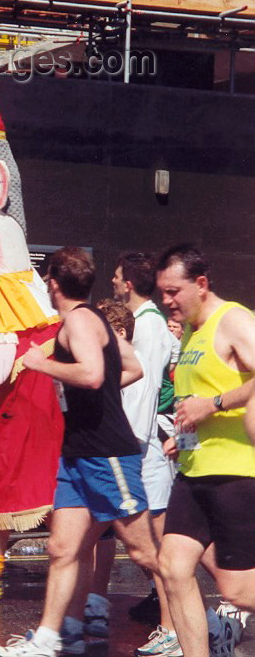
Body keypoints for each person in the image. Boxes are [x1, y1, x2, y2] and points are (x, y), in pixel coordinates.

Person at [0, 247, 163, 657]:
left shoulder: (80, 321)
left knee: (144, 551)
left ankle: (188, 622)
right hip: (78, 453)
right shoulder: (94, 319)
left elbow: (91, 373)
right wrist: (98, 391)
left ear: (53, 283)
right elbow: (132, 368)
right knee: (63, 549)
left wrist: (40, 364)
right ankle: (54, 636)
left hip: (106, 453)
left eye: (46, 280)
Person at [156, 243, 255, 657]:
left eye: (173, 291)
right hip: (195, 470)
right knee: (172, 568)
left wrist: (211, 405)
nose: (166, 301)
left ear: (200, 284)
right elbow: (198, 396)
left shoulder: (233, 320)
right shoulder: (194, 331)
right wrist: (181, 437)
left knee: (238, 590)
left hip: (235, 471)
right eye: (162, 292)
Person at [92, 299, 179, 655]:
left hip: (142, 466)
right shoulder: (118, 365)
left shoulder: (137, 367)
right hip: (124, 463)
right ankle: (89, 609)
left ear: (122, 332)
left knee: (159, 555)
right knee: (88, 541)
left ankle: (181, 625)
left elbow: (134, 425)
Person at [112, 252, 177, 624]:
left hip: (138, 446)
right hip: (135, 443)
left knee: (154, 543)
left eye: (117, 276)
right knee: (143, 543)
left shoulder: (149, 326)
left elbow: (143, 386)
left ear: (129, 283)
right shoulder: (143, 322)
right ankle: (168, 606)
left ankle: (190, 620)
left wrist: (127, 439)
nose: (114, 282)